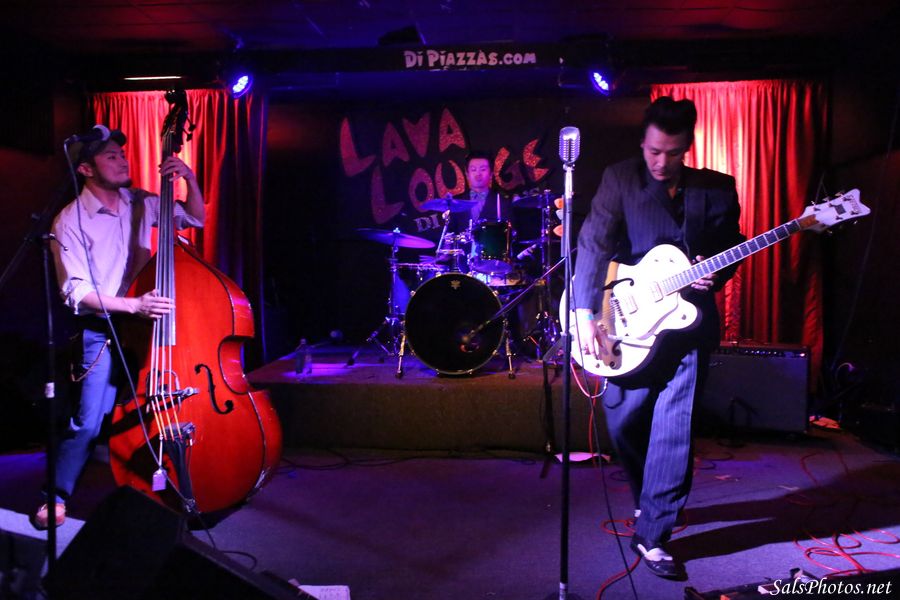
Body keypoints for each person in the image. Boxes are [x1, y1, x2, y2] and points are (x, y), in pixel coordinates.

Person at [573, 97, 744, 579]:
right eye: (653, 151)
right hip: (629, 316)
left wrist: (716, 272)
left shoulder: (717, 188)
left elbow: (731, 247)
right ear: (642, 144)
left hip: (687, 325)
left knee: (675, 426)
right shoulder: (620, 178)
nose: (660, 162)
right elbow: (594, 241)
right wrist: (586, 314)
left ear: (687, 147)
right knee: (624, 421)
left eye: (671, 153)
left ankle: (654, 534)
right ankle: (647, 500)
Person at [31, 126, 205, 529]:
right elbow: (75, 292)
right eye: (111, 156)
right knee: (90, 419)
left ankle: (170, 482)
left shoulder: (140, 201)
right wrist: (133, 305)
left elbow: (194, 217)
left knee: (164, 400)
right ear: (86, 169)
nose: (123, 160)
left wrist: (190, 179)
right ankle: (55, 494)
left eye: (122, 154)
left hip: (149, 322)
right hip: (105, 327)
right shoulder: (69, 219)